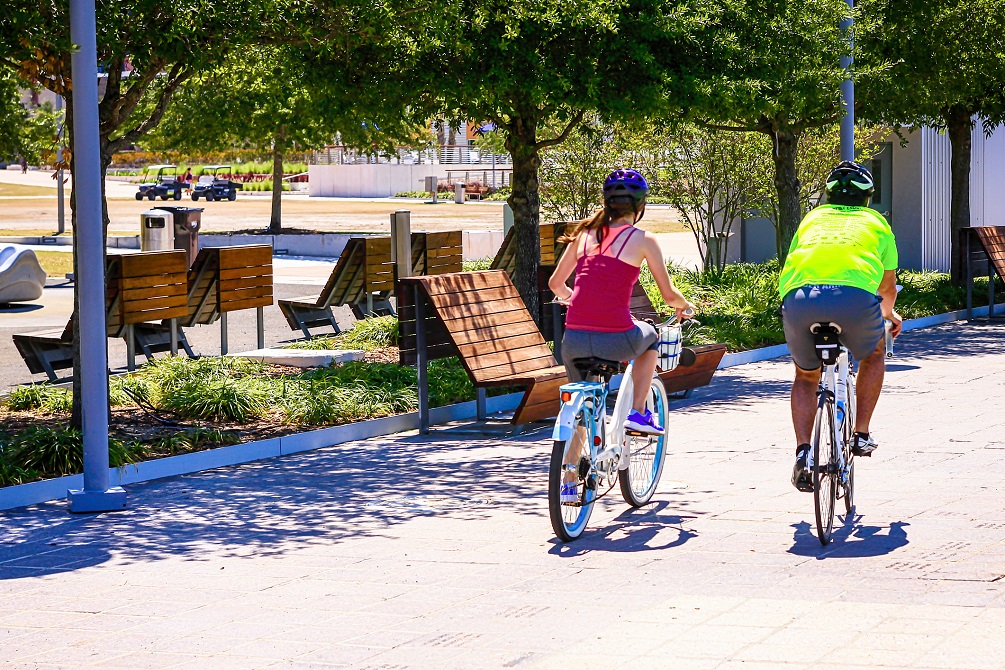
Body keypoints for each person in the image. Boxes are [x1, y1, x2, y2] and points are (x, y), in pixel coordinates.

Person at [781, 161, 902, 492]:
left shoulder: (811, 219)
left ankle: (804, 452)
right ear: (867, 198)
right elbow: (887, 287)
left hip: (800, 299)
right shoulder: (877, 223)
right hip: (854, 301)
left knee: (806, 377)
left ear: (828, 196)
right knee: (874, 355)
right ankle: (861, 434)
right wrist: (888, 317)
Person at [549, 168, 696, 438]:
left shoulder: (583, 236)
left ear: (607, 203)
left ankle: (569, 475)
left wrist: (573, 300)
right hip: (617, 339)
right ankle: (639, 412)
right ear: (640, 205)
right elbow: (668, 294)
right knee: (651, 335)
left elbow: (555, 284)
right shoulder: (643, 240)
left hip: (574, 341)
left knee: (582, 413)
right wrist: (684, 305)